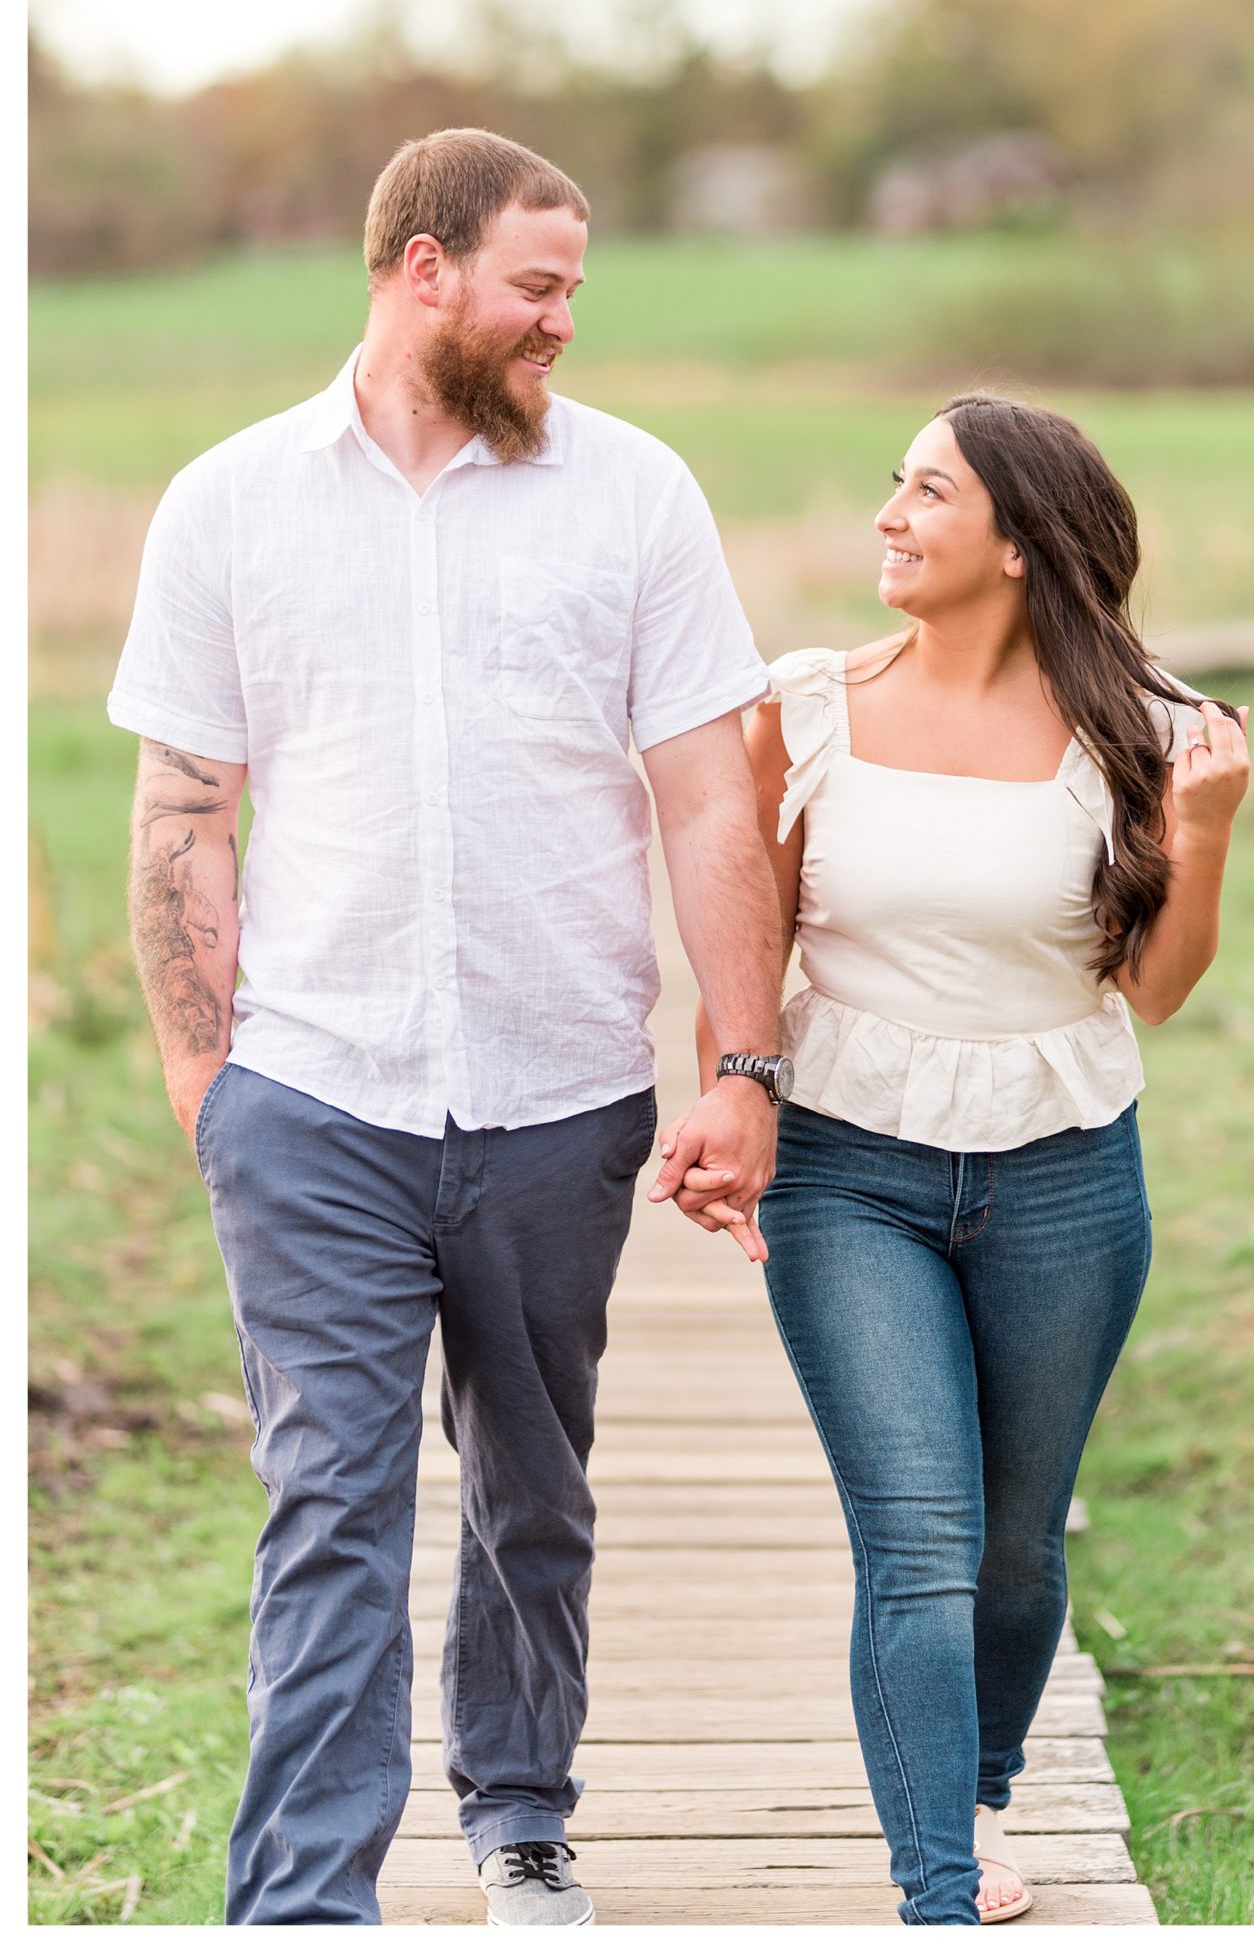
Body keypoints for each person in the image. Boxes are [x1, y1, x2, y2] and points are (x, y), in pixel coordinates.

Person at [110, 128, 795, 1927]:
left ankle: (520, 1810)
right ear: (424, 270)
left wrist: (743, 1063)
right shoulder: (229, 504)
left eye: (574, 287)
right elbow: (185, 810)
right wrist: (214, 1091)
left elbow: (711, 804)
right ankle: (305, 1904)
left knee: (531, 1489)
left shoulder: (635, 495)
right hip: (311, 1100)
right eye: (537, 286)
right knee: (332, 1502)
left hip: (561, 1100)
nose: (566, 319)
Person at [680, 394, 1249, 1926]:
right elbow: (751, 938)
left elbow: (1160, 987)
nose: (889, 515)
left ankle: (980, 1788)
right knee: (918, 1542)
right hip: (850, 1168)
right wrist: (731, 1095)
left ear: (1017, 542)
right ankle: (939, 1887)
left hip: (1065, 1173)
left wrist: (1203, 833)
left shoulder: (1148, 726)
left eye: (926, 492)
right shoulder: (803, 706)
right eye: (894, 485)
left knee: (1013, 1547)